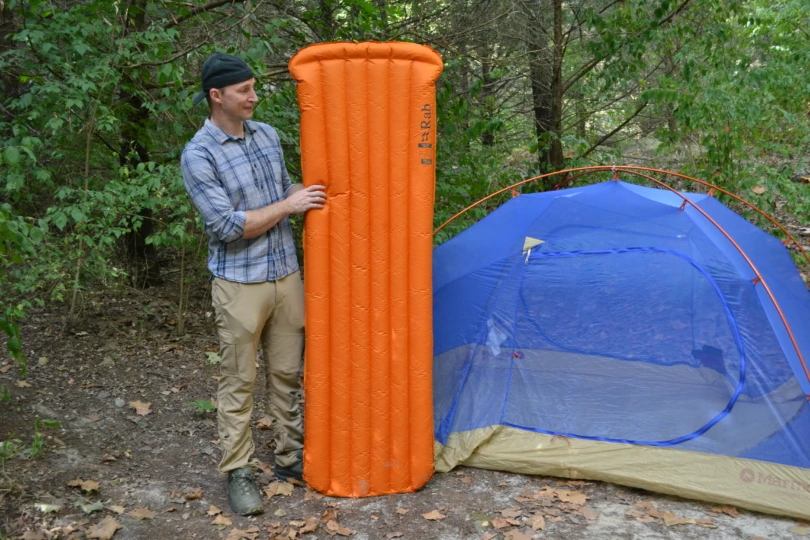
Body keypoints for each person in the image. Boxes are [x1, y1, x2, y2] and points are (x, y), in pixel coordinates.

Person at [180, 51, 326, 516]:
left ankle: (289, 458)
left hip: (286, 274)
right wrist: (290, 207)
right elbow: (226, 225)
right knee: (238, 380)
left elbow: (285, 189)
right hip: (239, 283)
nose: (254, 96)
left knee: (286, 373)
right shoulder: (198, 154)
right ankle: (239, 471)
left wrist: (313, 196)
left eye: (253, 87)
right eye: (244, 90)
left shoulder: (267, 135)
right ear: (216, 95)